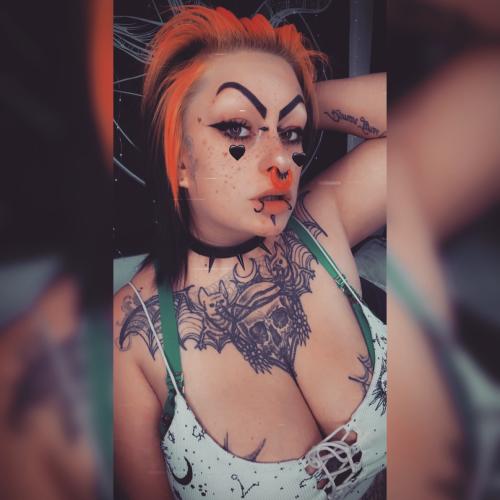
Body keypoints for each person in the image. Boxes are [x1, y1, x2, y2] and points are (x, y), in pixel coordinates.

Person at [114, 6, 386, 500]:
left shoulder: (321, 221)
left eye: (292, 132)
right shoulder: (132, 334)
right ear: (179, 158)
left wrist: (299, 101)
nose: (280, 160)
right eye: (237, 128)